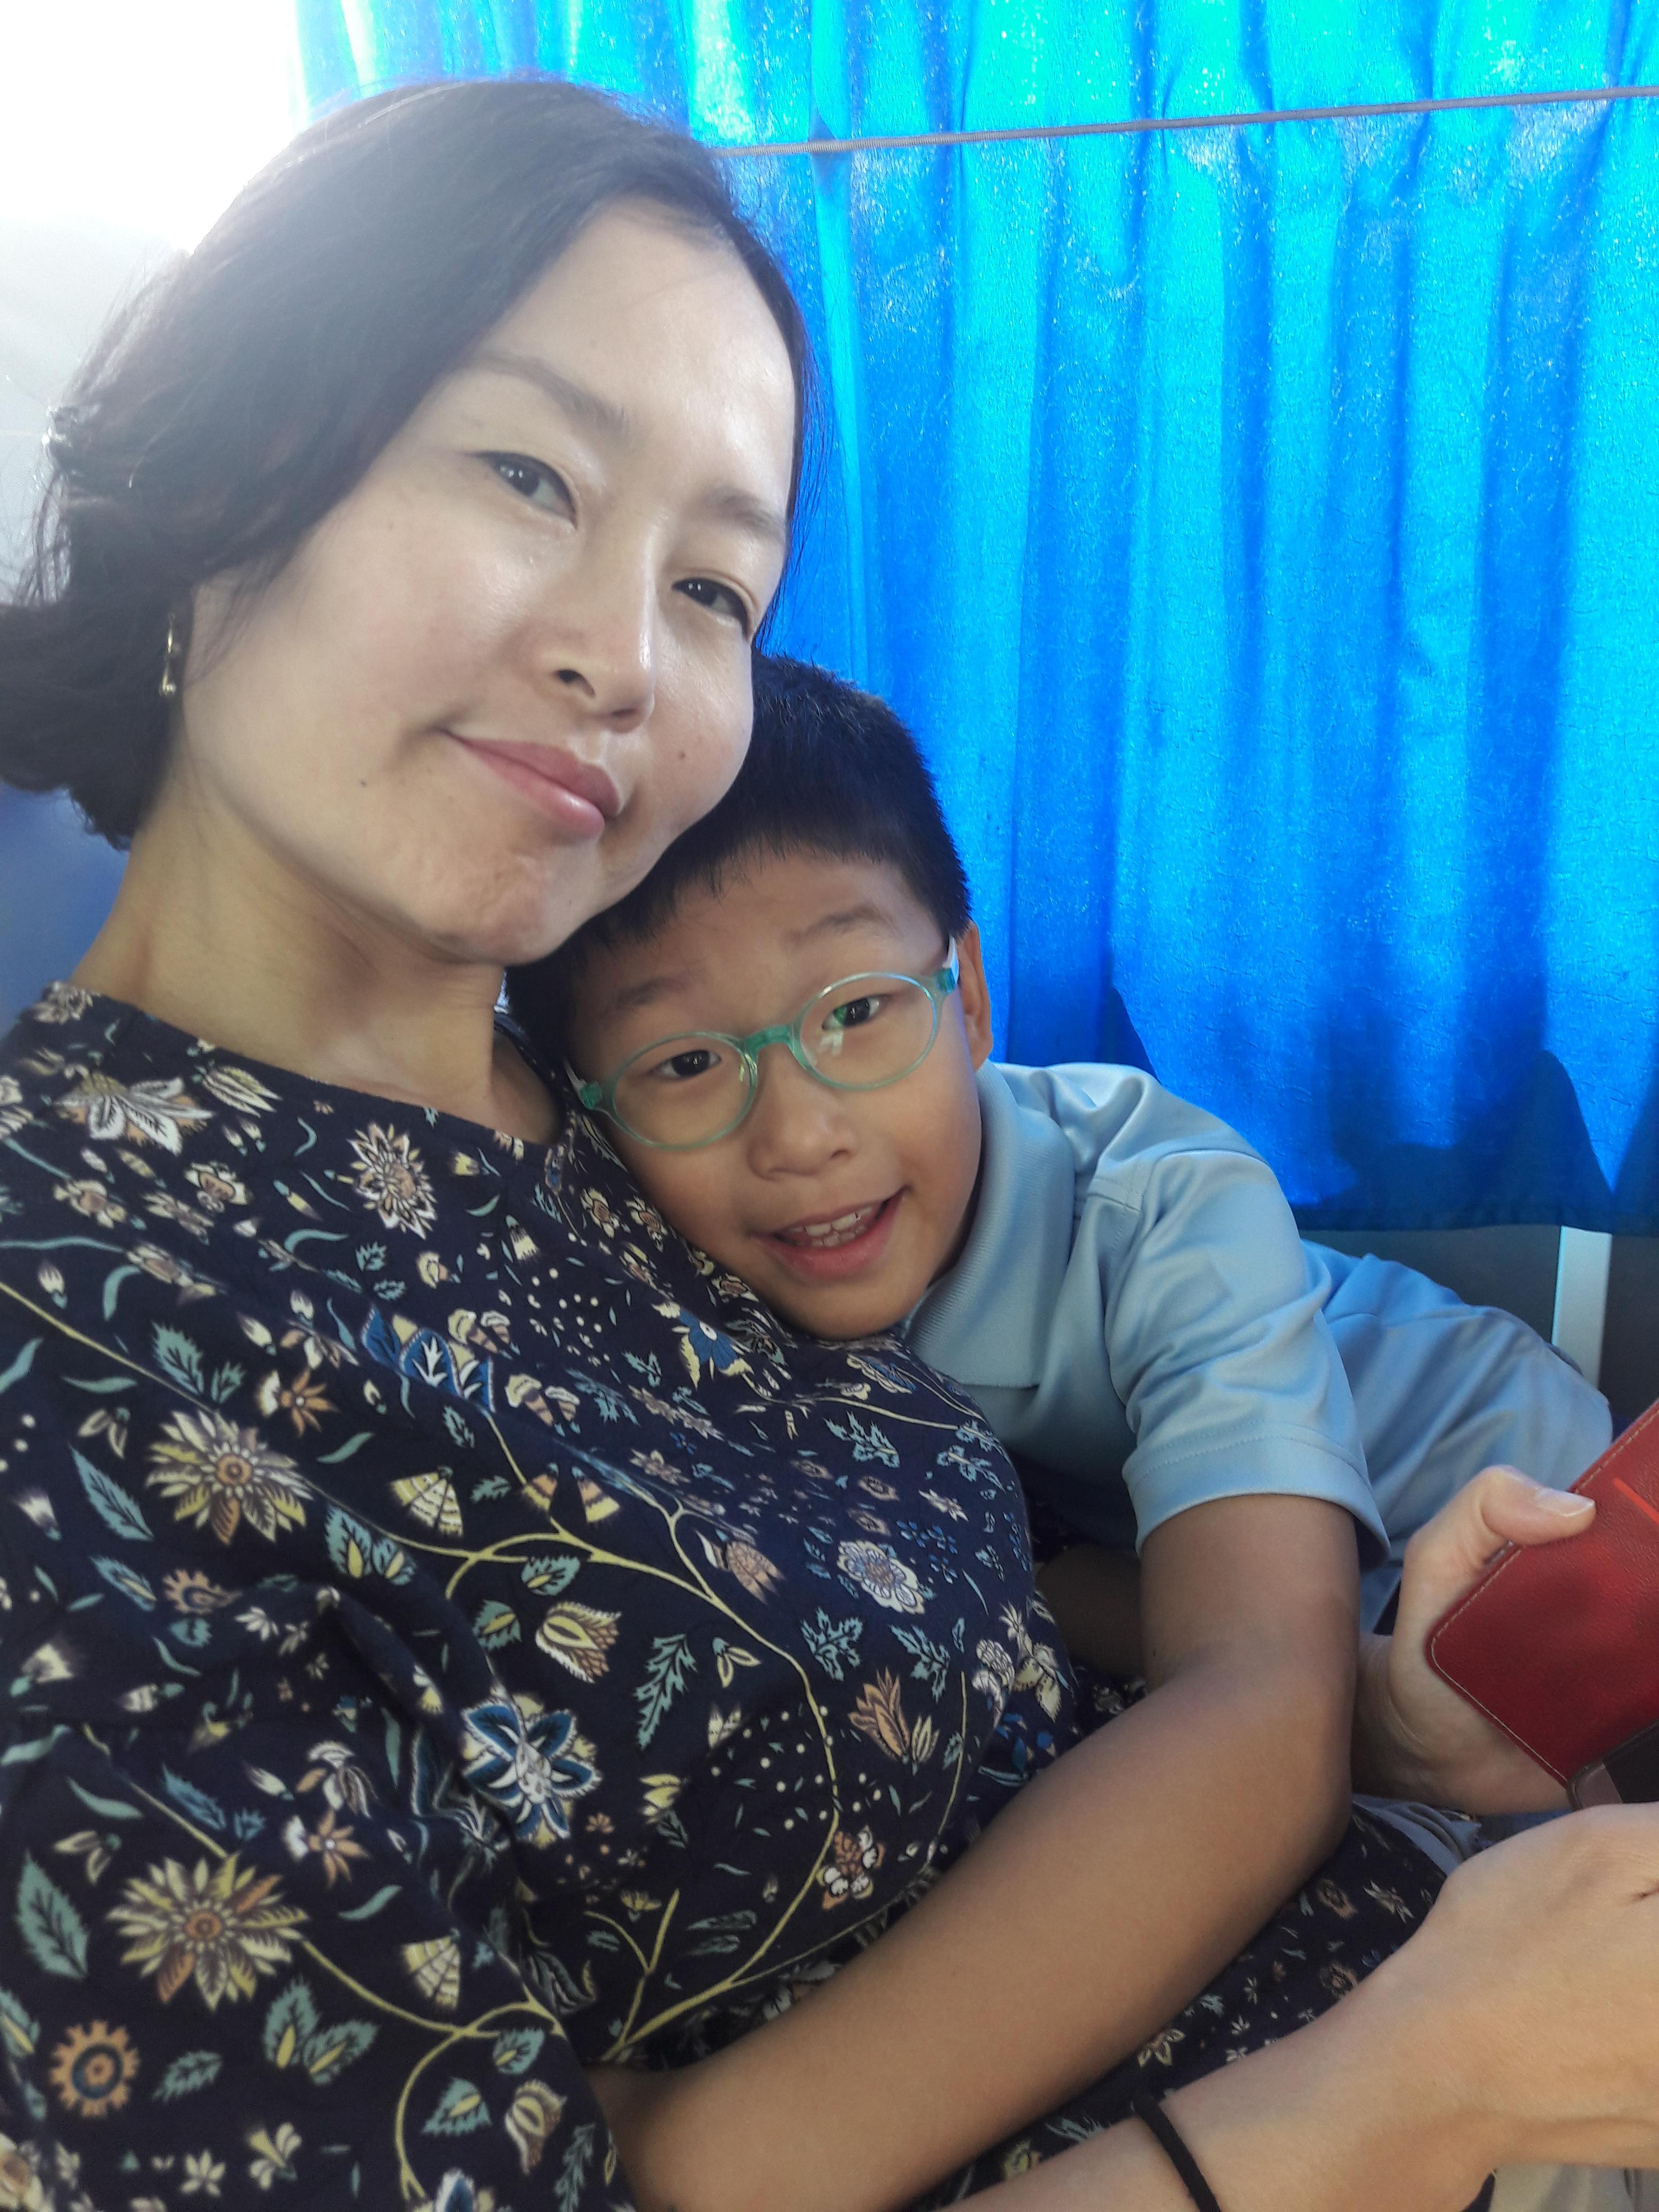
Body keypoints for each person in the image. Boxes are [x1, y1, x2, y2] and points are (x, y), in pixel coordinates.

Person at [0, 73, 1656, 2212]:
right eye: (527, 471)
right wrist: (1418, 2089)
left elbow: (952, 1639)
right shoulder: (76, 1340)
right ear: (234, 458)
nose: (621, 658)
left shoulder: (583, 1103)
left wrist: (1366, 1721)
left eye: (714, 586)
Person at [508, 653, 1608, 1662]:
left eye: (856, 1012)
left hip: (1517, 1494)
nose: (800, 1137)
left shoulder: (1164, 1208)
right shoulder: (665, 1266)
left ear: (970, 1000)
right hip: (1200, 1576)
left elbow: (1265, 1680)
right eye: (688, 1062)